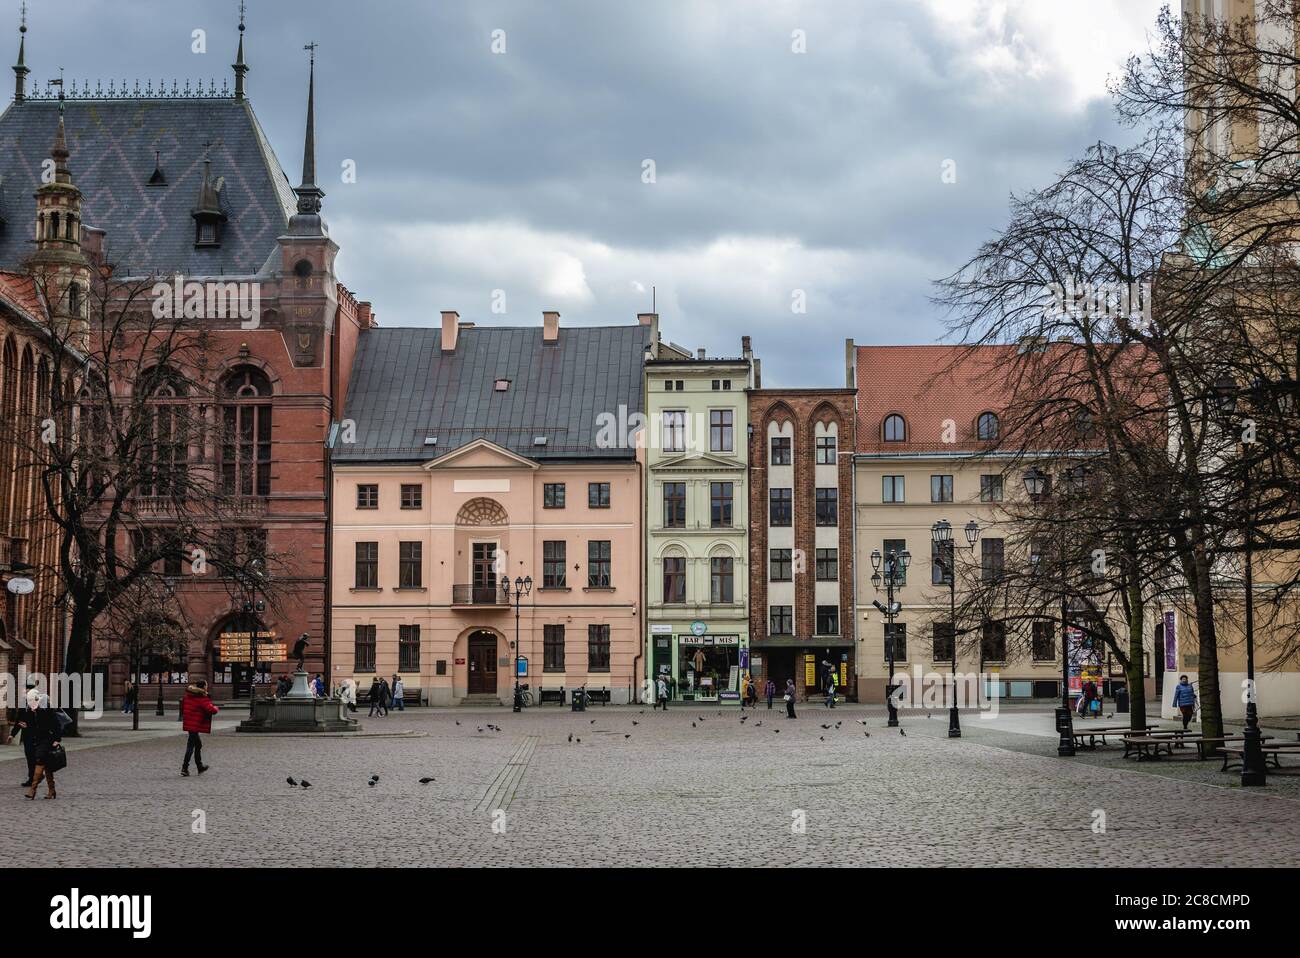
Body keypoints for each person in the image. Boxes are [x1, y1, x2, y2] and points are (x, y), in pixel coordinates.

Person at [24, 693, 62, 800]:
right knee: (47, 766)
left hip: (47, 740)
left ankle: (33, 789)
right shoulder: (32, 712)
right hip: (38, 740)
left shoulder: (48, 712)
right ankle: (52, 790)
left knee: (40, 759)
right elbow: (31, 726)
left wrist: (57, 740)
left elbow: (56, 725)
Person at [181, 680, 219, 777]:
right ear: (203, 687)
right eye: (206, 685)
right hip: (195, 724)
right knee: (191, 746)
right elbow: (211, 709)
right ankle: (185, 768)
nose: (207, 687)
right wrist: (216, 708)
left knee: (198, 745)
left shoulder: (188, 696)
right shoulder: (201, 697)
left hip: (190, 723)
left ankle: (199, 766)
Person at [12, 678, 40, 787]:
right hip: (28, 735)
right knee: (30, 756)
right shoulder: (24, 703)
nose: (24, 691)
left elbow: (43, 721)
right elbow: (20, 719)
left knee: (36, 757)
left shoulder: (38, 703)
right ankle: (32, 777)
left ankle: (36, 776)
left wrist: (29, 726)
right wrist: (13, 734)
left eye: (26, 689)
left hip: (37, 735)